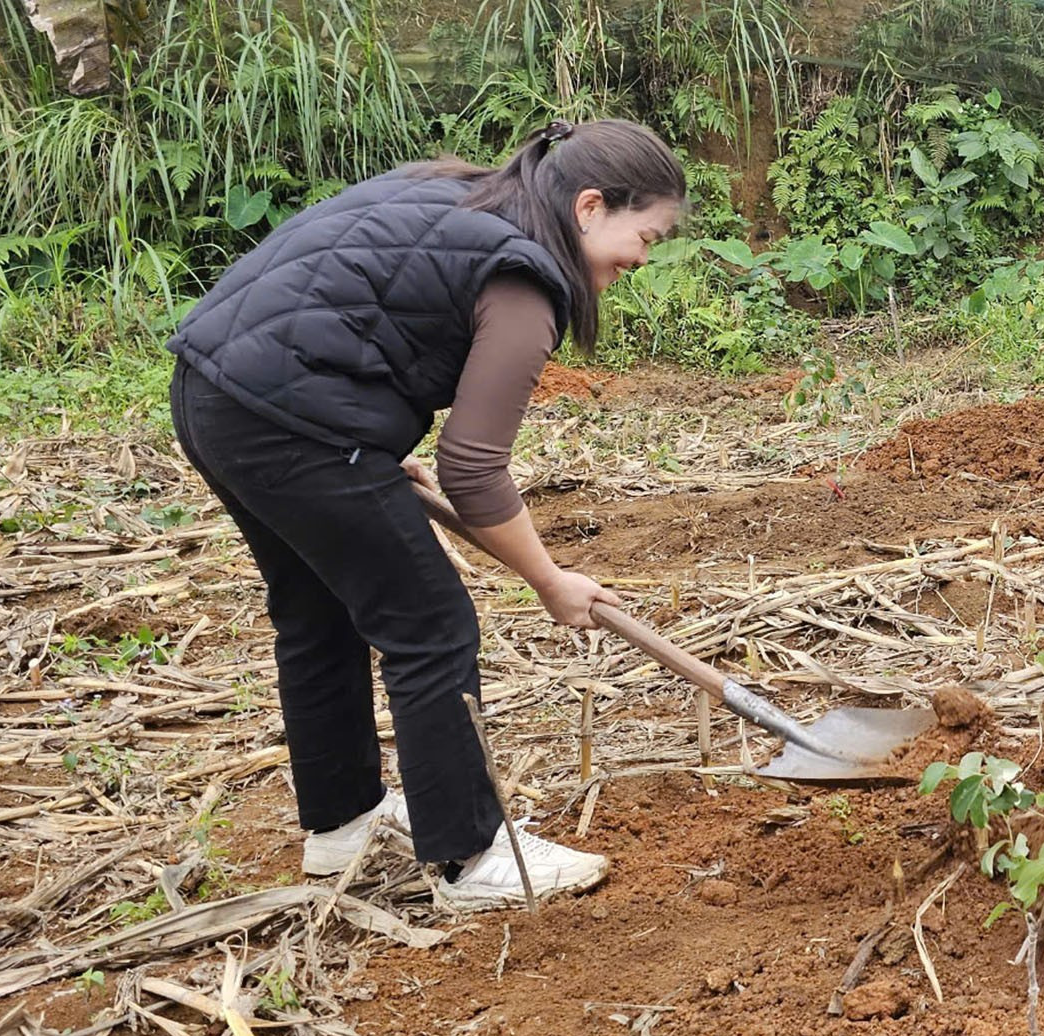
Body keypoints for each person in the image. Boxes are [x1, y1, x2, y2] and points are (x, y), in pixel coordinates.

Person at [167, 119, 685, 910]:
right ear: (590, 207)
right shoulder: (526, 279)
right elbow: (474, 470)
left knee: (319, 613)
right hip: (290, 422)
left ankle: (341, 824)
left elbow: (347, 306)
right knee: (433, 625)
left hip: (214, 391)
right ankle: (471, 858)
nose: (641, 260)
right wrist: (549, 580)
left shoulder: (454, 191)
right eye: (644, 235)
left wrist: (366, 433)